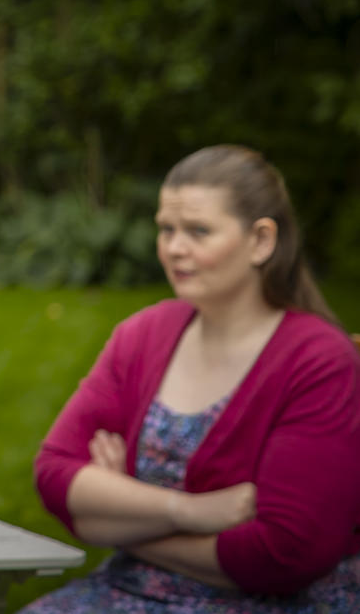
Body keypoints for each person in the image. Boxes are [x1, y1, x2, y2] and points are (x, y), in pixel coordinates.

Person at [27, 144, 360, 612]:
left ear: (261, 241)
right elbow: (55, 474)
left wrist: (118, 519)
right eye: (167, 229)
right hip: (129, 590)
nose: (174, 248)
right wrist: (189, 511)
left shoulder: (317, 362)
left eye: (198, 231)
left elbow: (285, 555)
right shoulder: (145, 334)